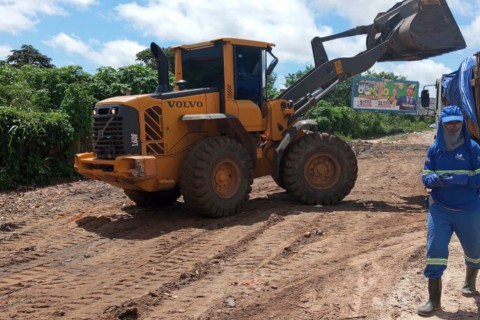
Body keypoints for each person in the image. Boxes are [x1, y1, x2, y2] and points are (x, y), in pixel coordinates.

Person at [419, 105, 480, 316]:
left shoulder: (473, 149)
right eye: (448, 123)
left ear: (462, 123)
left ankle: (470, 284)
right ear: (442, 124)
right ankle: (433, 300)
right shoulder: (434, 149)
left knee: (475, 251)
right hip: (440, 208)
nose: (453, 126)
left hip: (469, 209)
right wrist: (431, 179)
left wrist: (466, 180)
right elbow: (425, 176)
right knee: (435, 250)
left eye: (457, 122)